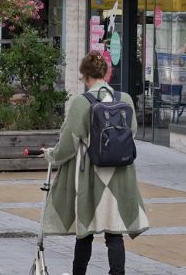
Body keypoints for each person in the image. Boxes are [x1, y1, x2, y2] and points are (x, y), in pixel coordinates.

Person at [40, 51, 149, 275]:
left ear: (85, 76)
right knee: (115, 234)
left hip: (90, 174)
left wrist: (52, 155)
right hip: (120, 173)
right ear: (106, 74)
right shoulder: (125, 99)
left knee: (85, 233)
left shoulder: (82, 103)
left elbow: (69, 143)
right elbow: (133, 132)